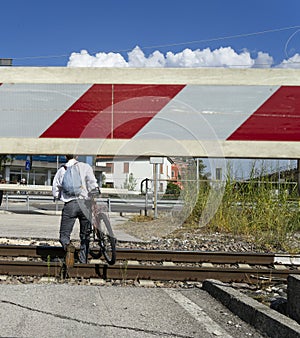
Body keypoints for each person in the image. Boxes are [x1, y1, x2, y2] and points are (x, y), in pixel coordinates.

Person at [52, 155, 99, 267]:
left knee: (64, 235)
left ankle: (68, 248)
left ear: (65, 156)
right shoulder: (85, 167)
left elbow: (55, 190)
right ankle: (83, 261)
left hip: (70, 205)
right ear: (77, 155)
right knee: (85, 235)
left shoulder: (61, 170)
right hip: (85, 204)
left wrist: (60, 196)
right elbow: (93, 184)